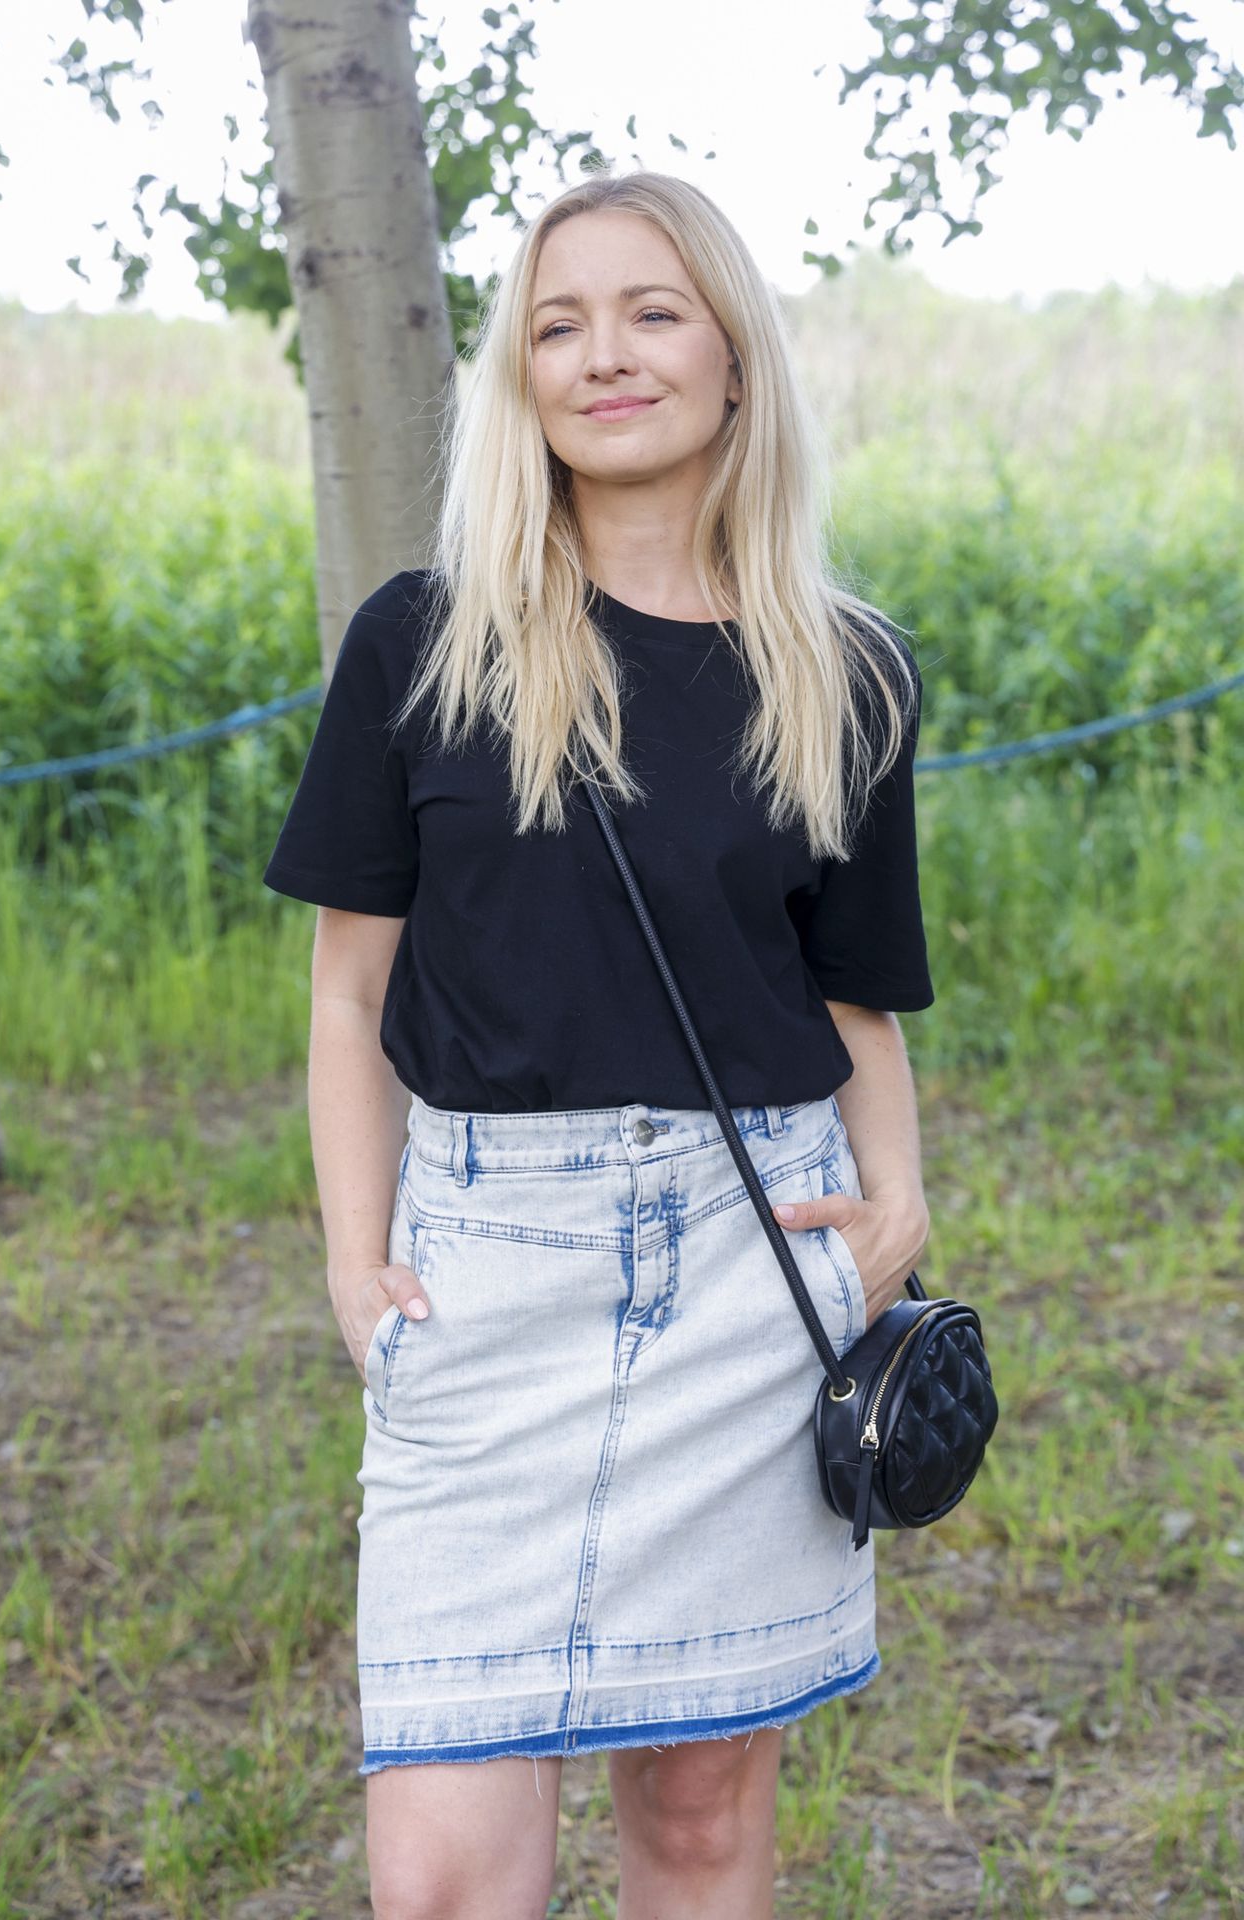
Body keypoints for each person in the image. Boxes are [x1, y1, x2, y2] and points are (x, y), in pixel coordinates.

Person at [263, 168, 934, 1920]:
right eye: (558, 324)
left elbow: (849, 997)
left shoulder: (844, 672)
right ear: (521, 380)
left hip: (749, 1271)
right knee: (440, 1879)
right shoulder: (424, 643)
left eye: (650, 312)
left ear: (733, 357)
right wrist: (357, 1255)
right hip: (490, 1266)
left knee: (703, 1825)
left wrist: (902, 1200)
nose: (603, 355)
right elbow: (348, 994)